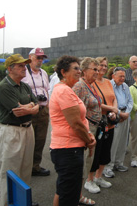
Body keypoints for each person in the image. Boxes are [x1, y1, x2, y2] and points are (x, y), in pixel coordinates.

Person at [49, 55, 96, 206]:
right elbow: (75, 123)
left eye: (79, 68)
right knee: (69, 195)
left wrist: (88, 136)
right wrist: (89, 140)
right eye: (75, 68)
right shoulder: (64, 91)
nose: (79, 71)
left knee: (63, 190)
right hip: (68, 149)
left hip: (67, 148)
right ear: (63, 72)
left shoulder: (66, 90)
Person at [0, 54, 40, 206]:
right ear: (10, 68)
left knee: (26, 168)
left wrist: (30, 107)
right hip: (12, 131)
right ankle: (6, 203)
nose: (24, 68)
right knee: (9, 171)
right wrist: (31, 108)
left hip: (28, 129)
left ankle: (23, 201)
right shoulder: (4, 87)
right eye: (20, 66)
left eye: (24, 65)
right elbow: (17, 111)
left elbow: (37, 105)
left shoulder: (24, 85)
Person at [72, 57, 102, 205]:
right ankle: (76, 195)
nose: (97, 72)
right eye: (94, 69)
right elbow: (76, 114)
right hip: (86, 129)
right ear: (84, 71)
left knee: (88, 161)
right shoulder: (79, 86)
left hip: (94, 127)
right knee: (82, 162)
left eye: (98, 69)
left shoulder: (91, 85)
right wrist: (87, 133)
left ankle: (79, 195)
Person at [22, 48, 51, 176]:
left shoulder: (43, 73)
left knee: (40, 140)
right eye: (37, 57)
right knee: (28, 140)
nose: (40, 61)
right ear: (30, 57)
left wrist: (48, 106)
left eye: (41, 58)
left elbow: (48, 90)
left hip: (43, 110)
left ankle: (35, 166)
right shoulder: (24, 72)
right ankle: (25, 167)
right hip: (29, 110)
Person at [91, 57, 118, 181]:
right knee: (96, 152)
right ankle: (89, 179)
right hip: (98, 122)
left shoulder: (108, 82)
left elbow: (114, 98)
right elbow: (95, 102)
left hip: (110, 122)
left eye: (105, 66)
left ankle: (99, 176)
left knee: (106, 151)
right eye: (101, 65)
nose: (103, 68)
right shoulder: (91, 82)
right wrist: (111, 109)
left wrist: (115, 110)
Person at [107, 67, 133, 172]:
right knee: (113, 142)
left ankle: (119, 163)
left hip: (125, 115)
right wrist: (120, 114)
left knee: (123, 141)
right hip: (115, 116)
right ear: (113, 76)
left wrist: (126, 113)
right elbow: (109, 102)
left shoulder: (125, 86)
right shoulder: (109, 85)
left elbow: (130, 101)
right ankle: (109, 166)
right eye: (120, 76)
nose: (123, 78)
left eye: (124, 76)